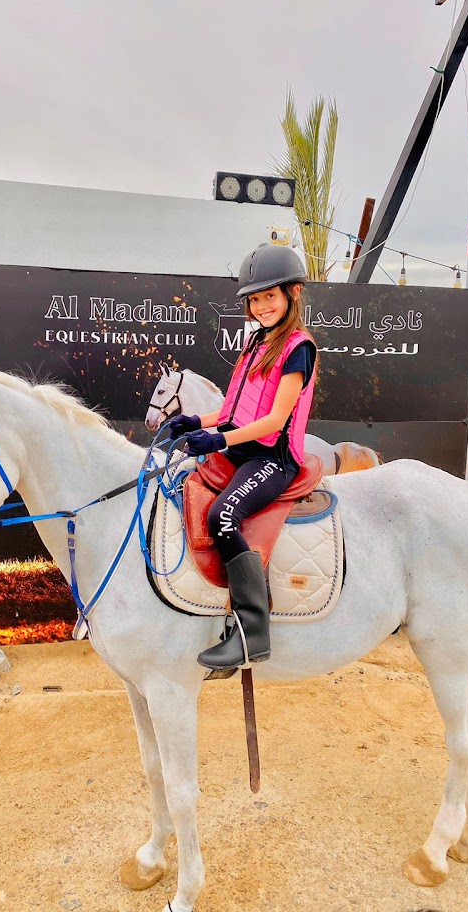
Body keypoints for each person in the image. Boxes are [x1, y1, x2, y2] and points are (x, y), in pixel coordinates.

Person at [168, 244, 317, 670]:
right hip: (241, 449)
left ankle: (253, 634)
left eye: (269, 295)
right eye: (254, 299)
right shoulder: (257, 341)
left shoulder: (298, 349)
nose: (261, 306)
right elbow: (234, 410)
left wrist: (218, 443)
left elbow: (274, 421)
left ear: (292, 293)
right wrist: (197, 421)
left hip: (272, 460)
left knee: (222, 516)